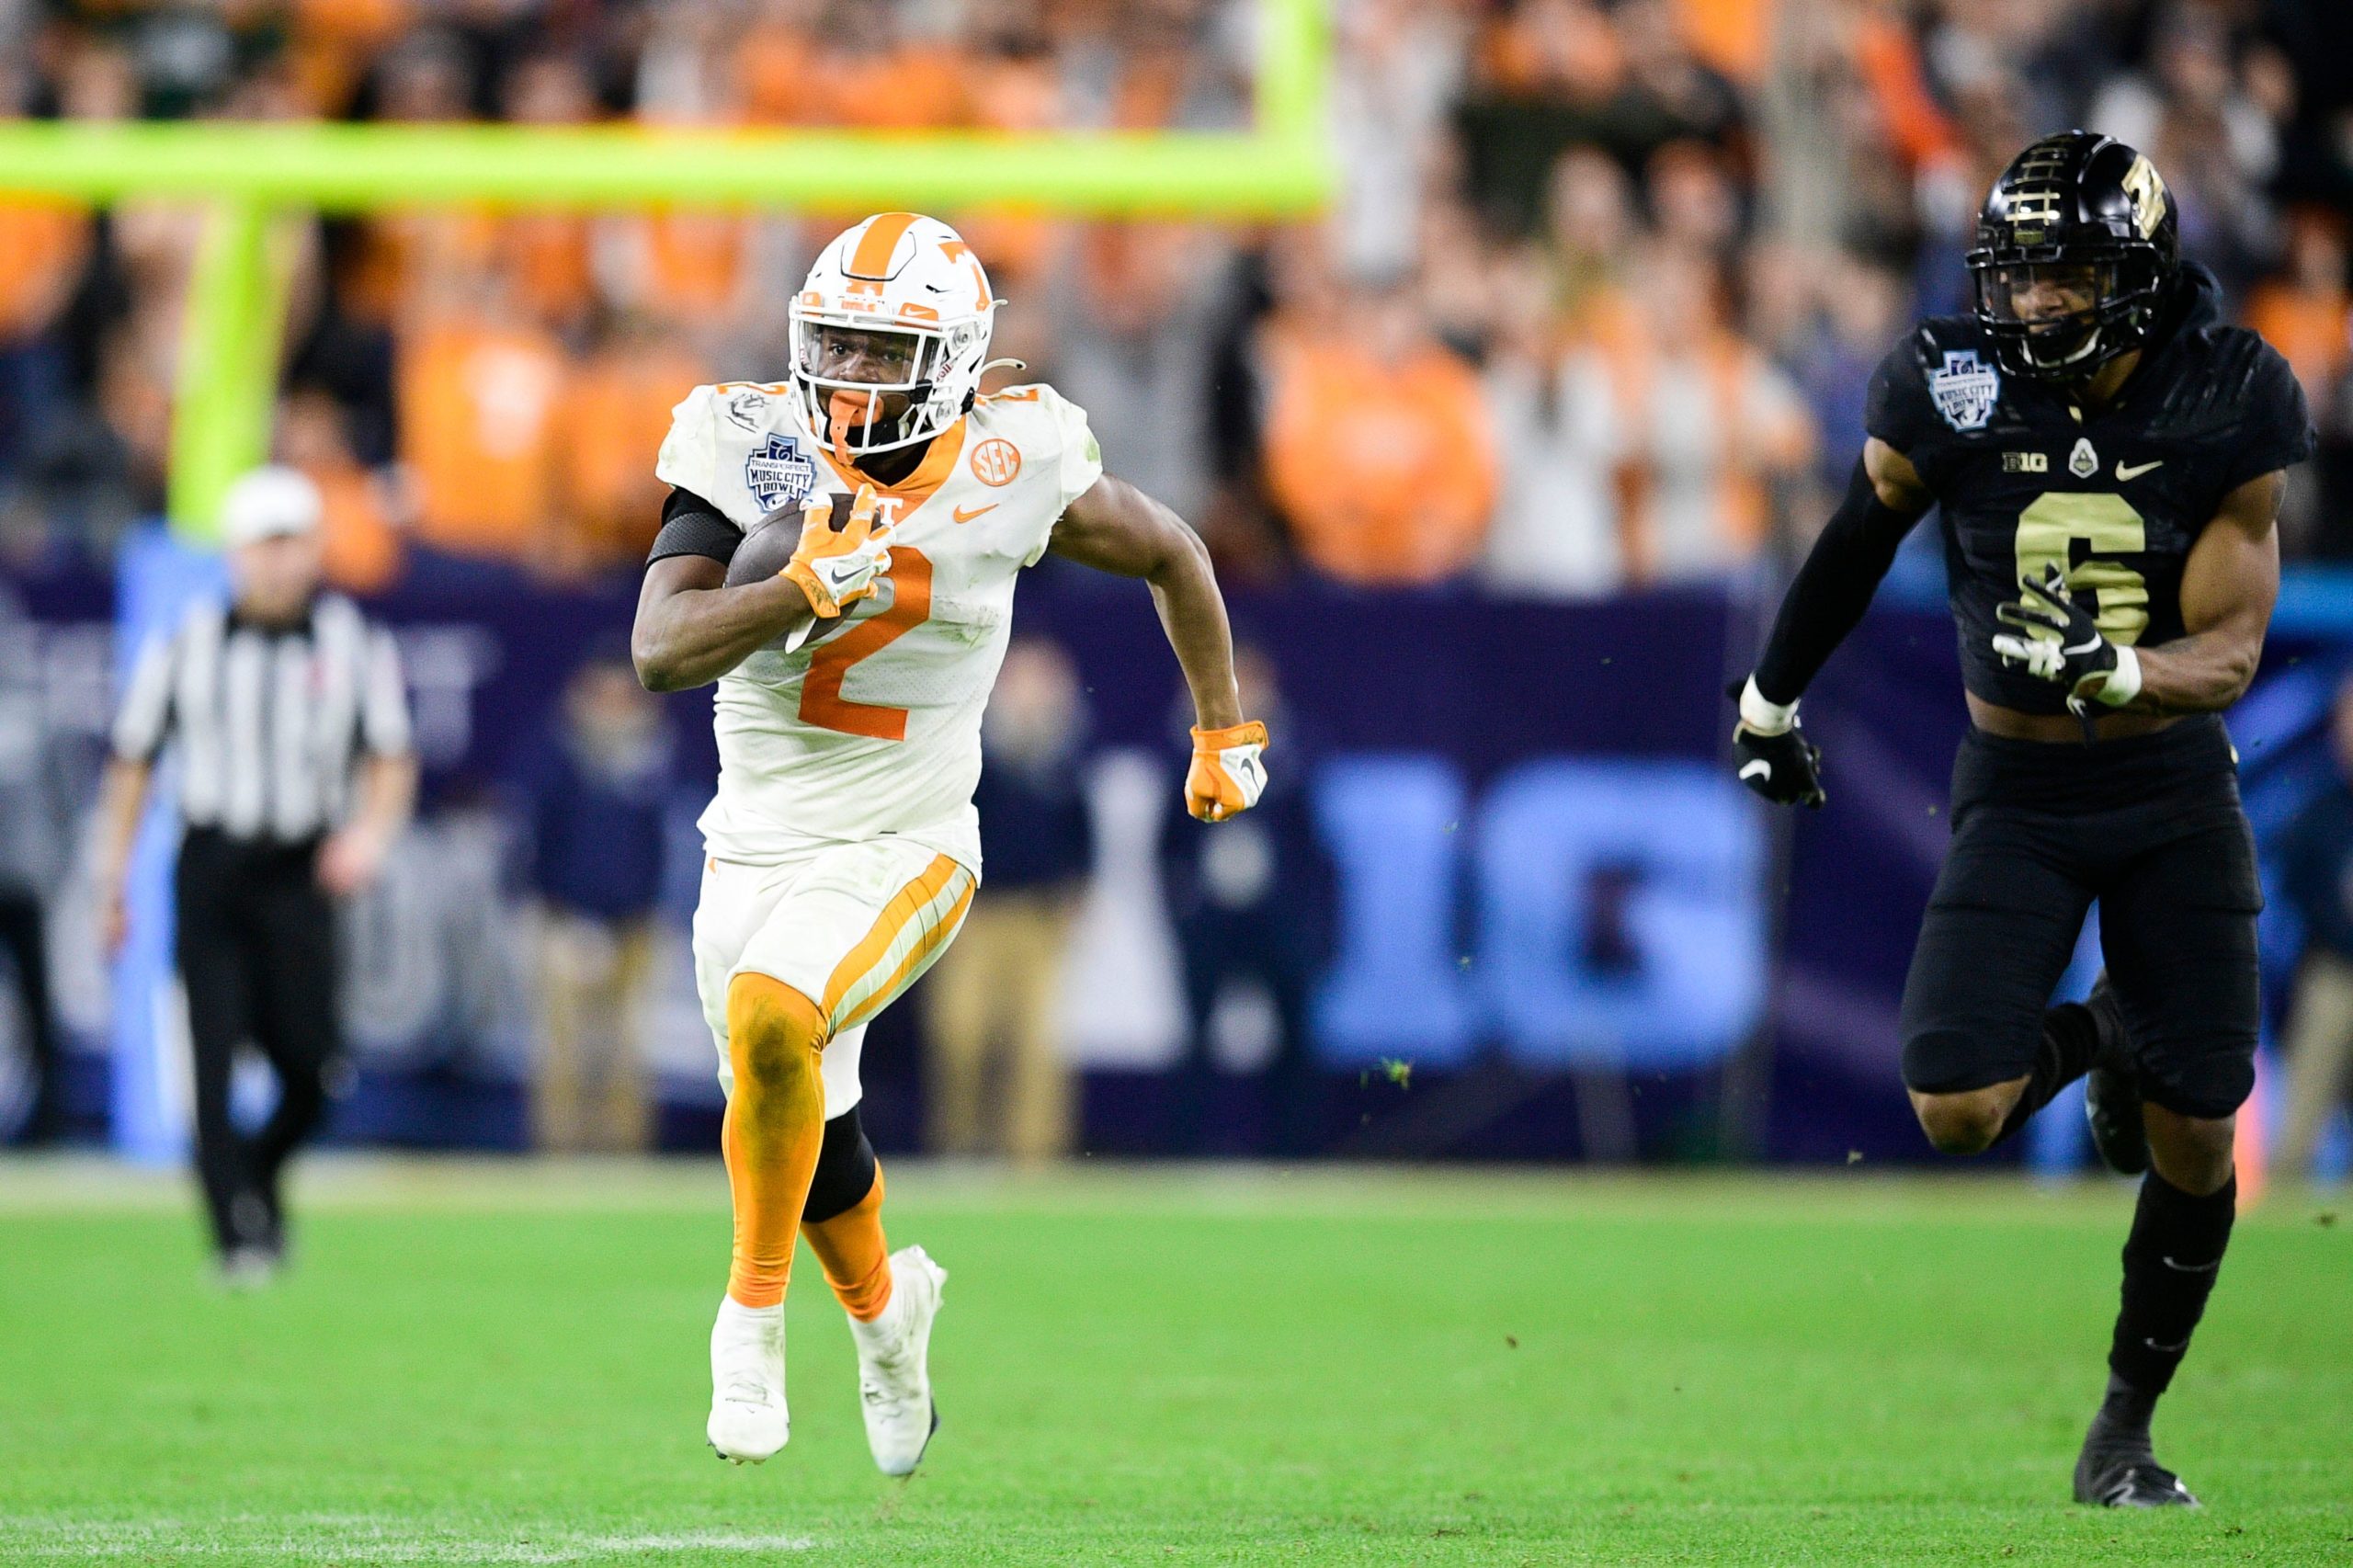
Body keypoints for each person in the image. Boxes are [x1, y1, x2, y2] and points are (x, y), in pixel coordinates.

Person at [631, 211, 1267, 1476]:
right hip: (751, 844)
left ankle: (749, 1323)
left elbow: (1172, 552)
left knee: (774, 1019)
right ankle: (887, 1326)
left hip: (907, 835)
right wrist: (793, 593)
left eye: (885, 351)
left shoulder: (1014, 454)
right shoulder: (747, 439)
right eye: (842, 346)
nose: (856, 378)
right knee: (811, 1116)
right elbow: (658, 646)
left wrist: (1221, 726)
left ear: (956, 358)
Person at [1726, 133, 2312, 1508]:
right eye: (2023, 272)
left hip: (2166, 781)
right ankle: (2113, 1026)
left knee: (2196, 1126)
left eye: (2072, 272)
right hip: (2022, 788)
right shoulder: (1955, 380)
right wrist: (1769, 695)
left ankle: (2123, 1426)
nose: (2040, 300)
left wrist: (2127, 669)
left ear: (2141, 273)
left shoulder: (2227, 393)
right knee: (1956, 1101)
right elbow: (1864, 528)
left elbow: (2230, 649)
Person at [94, 465, 417, 1282]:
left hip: (302, 866)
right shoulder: (184, 641)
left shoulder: (353, 642)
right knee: (210, 1053)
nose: (279, 562)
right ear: (236, 554)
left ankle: (260, 1185)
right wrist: (112, 880)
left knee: (312, 1066)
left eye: (293, 543)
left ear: (315, 548)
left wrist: (368, 837)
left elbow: (390, 758)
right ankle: (234, 1237)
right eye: (263, 545)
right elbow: (131, 765)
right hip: (211, 864)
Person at [920, 634, 1092, 1165]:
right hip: (976, 913)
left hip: (1039, 918)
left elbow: (1081, 837)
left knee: (1038, 1042)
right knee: (960, 1033)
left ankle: (1033, 1155)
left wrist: (1077, 891)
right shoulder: (972, 748)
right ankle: (959, 1143)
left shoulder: (1062, 757)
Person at [507, 642, 676, 1154]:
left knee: (631, 1053)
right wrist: (560, 916)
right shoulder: (557, 757)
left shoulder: (656, 755)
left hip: (636, 924)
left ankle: (624, 1163)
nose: (612, 708)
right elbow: (533, 843)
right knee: (563, 1053)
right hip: (564, 920)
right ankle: (558, 1159)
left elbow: (662, 847)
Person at [2273, 671, 2353, 1177]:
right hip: (2334, 974)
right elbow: (2296, 885)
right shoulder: (2322, 807)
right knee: (2300, 1127)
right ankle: (2280, 1234)